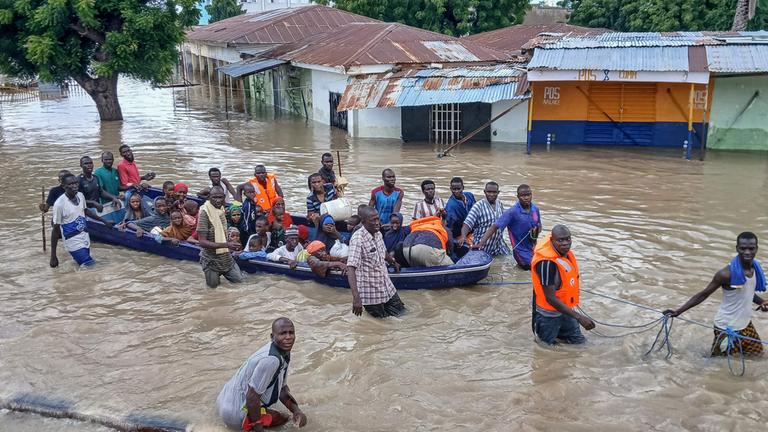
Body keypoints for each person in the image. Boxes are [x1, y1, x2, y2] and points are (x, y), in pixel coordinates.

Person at [663, 232, 768, 356]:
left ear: (756, 248)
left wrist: (762, 302)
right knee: (718, 363)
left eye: (751, 248)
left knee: (757, 355)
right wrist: (678, 311)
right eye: (743, 248)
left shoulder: (755, 268)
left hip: (745, 325)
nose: (747, 252)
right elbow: (703, 294)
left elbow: (747, 292)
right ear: (737, 248)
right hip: (726, 328)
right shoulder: (725, 274)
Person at [216, 317, 307, 431]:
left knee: (287, 417)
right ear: (272, 337)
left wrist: (296, 411)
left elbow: (282, 390)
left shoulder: (281, 352)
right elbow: (252, 397)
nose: (288, 337)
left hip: (223, 401)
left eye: (291, 333)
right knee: (283, 420)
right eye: (283, 333)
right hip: (234, 413)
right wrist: (259, 428)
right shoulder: (271, 360)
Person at [531, 225, 595, 345]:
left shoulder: (565, 254)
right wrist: (579, 317)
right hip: (548, 316)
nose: (565, 243)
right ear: (552, 241)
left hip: (566, 310)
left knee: (580, 344)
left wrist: (575, 315)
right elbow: (550, 298)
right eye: (560, 240)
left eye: (568, 239)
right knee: (545, 349)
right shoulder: (546, 263)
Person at [347, 206, 405, 318]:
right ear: (363, 222)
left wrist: (393, 262)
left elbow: (383, 252)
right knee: (381, 326)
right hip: (371, 294)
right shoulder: (358, 239)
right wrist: (356, 299)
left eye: (378, 219)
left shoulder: (378, 233)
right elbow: (351, 268)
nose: (377, 223)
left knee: (403, 314)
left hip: (386, 286)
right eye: (373, 220)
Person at [50, 174, 113, 268]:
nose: (75, 186)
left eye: (76, 183)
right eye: (71, 184)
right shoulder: (59, 204)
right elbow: (55, 230)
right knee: (92, 266)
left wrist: (104, 221)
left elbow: (85, 211)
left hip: (84, 235)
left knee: (84, 266)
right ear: (64, 186)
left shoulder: (80, 195)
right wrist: (53, 256)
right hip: (72, 240)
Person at [474, 184, 541, 269]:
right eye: (523, 196)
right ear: (518, 196)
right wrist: (480, 243)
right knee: (532, 268)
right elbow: (494, 226)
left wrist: (536, 232)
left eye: (528, 195)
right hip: (520, 251)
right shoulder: (512, 212)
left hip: (533, 247)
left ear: (531, 194)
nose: (526, 198)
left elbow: (539, 226)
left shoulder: (535, 209)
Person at [197, 186, 244, 288]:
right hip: (211, 260)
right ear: (209, 197)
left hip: (226, 258)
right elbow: (202, 242)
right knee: (213, 290)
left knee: (240, 283)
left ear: (224, 197)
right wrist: (227, 245)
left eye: (220, 197)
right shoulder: (205, 214)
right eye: (214, 197)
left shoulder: (221, 210)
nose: (218, 200)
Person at [460, 182, 509, 256]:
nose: (491, 194)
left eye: (494, 192)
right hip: (481, 246)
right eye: (489, 192)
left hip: (499, 246)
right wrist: (463, 237)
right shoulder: (478, 206)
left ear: (498, 192)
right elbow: (467, 224)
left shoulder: (500, 204)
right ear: (484, 192)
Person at [444, 177, 476, 242]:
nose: (456, 191)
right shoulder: (451, 206)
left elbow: (476, 211)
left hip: (473, 229)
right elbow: (449, 226)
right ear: (450, 189)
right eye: (454, 189)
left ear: (463, 188)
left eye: (459, 189)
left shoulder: (470, 196)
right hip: (459, 233)